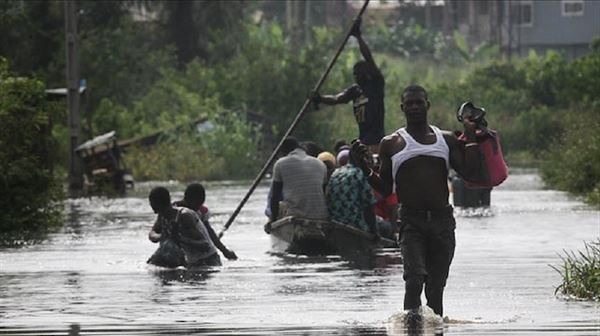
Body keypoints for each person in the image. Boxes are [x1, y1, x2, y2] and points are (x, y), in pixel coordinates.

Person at [352, 84, 481, 318]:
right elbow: (383, 186)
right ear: (402, 108)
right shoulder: (391, 143)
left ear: (427, 105)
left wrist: (471, 136)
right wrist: (364, 167)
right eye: (409, 103)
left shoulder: (446, 140)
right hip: (411, 222)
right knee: (413, 281)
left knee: (435, 290)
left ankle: (435, 329)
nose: (414, 107)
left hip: (442, 222)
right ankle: (410, 328)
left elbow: (469, 173)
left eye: (418, 102)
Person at [313, 18, 385, 154]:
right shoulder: (354, 91)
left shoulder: (376, 84)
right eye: (355, 74)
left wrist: (358, 37)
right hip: (363, 138)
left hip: (375, 139)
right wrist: (320, 98)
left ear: (367, 72)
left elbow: (369, 58)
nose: (356, 77)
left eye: (359, 74)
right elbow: (336, 99)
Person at [147, 186, 221, 268]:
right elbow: (152, 234)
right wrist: (162, 236)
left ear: (156, 203)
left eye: (151, 202)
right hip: (191, 261)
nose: (150, 205)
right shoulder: (163, 215)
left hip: (208, 260)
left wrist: (180, 239)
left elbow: (205, 245)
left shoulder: (184, 216)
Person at [266, 137, 328, 228]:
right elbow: (324, 193)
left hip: (296, 216)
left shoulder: (280, 164)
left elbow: (274, 196)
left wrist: (272, 220)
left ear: (284, 152)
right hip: (321, 216)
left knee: (281, 205)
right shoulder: (320, 164)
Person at [175, 183, 238, 261]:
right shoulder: (174, 210)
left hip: (200, 254)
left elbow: (209, 232)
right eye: (197, 203)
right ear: (187, 199)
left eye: (201, 204)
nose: (197, 207)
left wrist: (224, 251)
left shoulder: (201, 211)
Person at [326, 146, 377, 235]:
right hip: (356, 226)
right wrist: (374, 232)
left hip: (335, 224)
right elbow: (368, 207)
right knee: (386, 228)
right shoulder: (361, 174)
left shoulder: (336, 173)